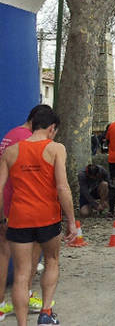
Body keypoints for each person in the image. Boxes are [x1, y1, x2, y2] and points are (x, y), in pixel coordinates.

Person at [0, 108, 77, 325]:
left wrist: (1, 218)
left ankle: (22, 323)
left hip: (18, 218)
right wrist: (71, 220)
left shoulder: (11, 152)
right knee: (52, 261)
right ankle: (45, 313)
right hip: (47, 217)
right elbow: (63, 187)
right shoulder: (56, 149)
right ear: (52, 128)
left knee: (22, 275)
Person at [0, 105, 52, 320]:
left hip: (8, 202)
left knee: (4, 254)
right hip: (20, 204)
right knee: (32, 253)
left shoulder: (11, 134)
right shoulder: (25, 139)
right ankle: (26, 294)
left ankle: (2, 302)